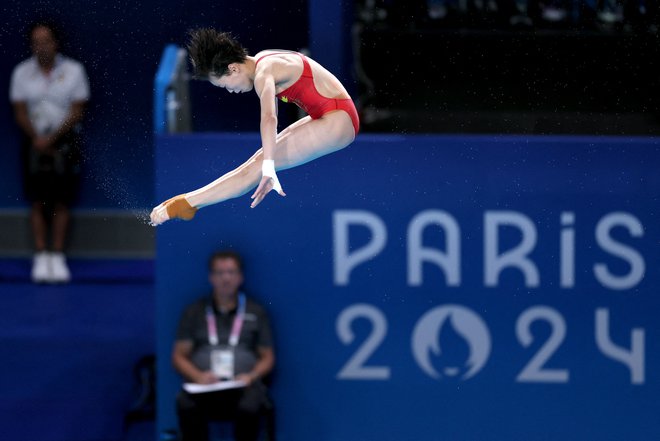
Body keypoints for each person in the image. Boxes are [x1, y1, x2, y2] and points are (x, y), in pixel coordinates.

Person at [150, 28, 359, 225]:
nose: (230, 91)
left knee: (258, 167)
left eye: (224, 85)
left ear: (233, 67)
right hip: (332, 114)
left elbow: (269, 118)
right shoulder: (264, 58)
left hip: (337, 120)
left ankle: (186, 203)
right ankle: (190, 203)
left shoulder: (263, 73)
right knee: (259, 160)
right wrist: (268, 162)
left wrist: (269, 168)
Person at [9, 20, 90, 283]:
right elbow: (20, 111)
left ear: (55, 42)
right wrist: (38, 138)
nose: (40, 46)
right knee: (37, 199)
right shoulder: (21, 72)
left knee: (61, 199)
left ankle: (57, 255)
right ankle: (41, 255)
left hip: (65, 142)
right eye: (36, 41)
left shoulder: (74, 70)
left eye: (45, 40)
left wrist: (53, 137)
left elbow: (78, 109)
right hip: (33, 142)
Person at [173, 250, 275, 441]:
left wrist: (251, 377)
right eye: (220, 273)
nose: (226, 278)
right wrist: (198, 377)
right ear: (211, 277)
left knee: (251, 405)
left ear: (240, 277)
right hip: (205, 386)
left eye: (231, 272)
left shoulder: (256, 311)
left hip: (242, 386)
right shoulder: (194, 311)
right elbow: (179, 355)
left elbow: (267, 357)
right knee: (185, 403)